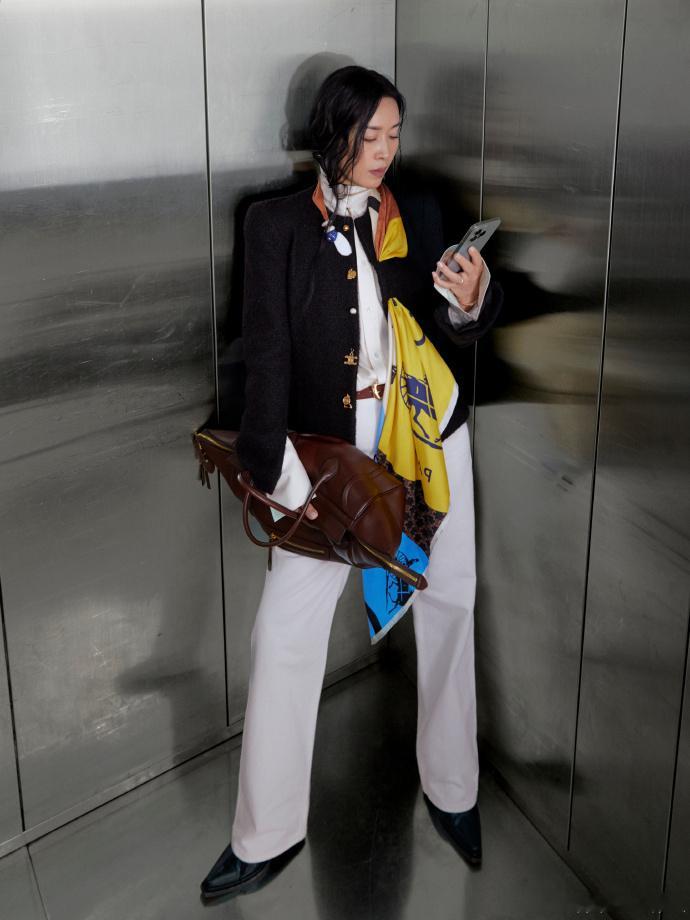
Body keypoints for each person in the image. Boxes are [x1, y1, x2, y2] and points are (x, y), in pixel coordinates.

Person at [200, 65, 504, 900]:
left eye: (393, 135)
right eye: (369, 134)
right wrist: (273, 468)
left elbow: (448, 323)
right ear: (331, 131)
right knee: (285, 633)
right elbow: (266, 351)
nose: (383, 151)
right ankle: (266, 834)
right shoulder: (275, 226)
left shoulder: (415, 212)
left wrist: (472, 300)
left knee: (450, 602)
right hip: (332, 460)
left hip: (427, 439)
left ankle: (454, 790)